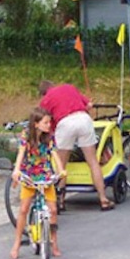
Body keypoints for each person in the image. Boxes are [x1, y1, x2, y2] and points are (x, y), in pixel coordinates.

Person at [38, 80, 115, 211]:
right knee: (92, 161)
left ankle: (60, 201)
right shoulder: (69, 87)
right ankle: (103, 199)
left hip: (65, 123)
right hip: (83, 119)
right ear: (53, 85)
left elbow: (44, 121)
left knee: (61, 165)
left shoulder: (45, 100)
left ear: (43, 93)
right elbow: (89, 104)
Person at [10, 107, 66, 259]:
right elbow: (21, 153)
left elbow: (54, 154)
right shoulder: (26, 135)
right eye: (46, 122)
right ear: (36, 124)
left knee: (53, 210)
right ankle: (16, 243)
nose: (49, 125)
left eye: (49, 122)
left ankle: (54, 243)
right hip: (29, 174)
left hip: (45, 174)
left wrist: (61, 170)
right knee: (23, 209)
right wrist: (16, 170)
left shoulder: (49, 137)